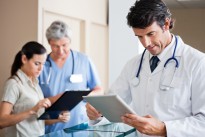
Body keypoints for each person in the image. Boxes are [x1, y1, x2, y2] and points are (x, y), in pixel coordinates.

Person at [86, 0, 205, 136]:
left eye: (150, 34)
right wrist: (98, 112)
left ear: (166, 24)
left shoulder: (198, 63)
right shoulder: (133, 65)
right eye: (140, 37)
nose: (146, 43)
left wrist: (164, 129)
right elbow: (113, 105)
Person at [39, 20, 103, 133]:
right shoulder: (42, 65)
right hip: (51, 129)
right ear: (49, 42)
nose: (60, 51)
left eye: (64, 45)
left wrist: (82, 96)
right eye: (55, 46)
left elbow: (98, 90)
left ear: (70, 41)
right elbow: (36, 101)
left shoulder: (83, 60)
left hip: (79, 127)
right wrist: (57, 98)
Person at [0, 41, 70, 137]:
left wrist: (58, 119)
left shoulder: (35, 84)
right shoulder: (13, 84)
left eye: (43, 64)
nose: (41, 68)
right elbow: (2, 121)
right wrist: (32, 110)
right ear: (24, 59)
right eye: (37, 64)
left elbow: (36, 121)